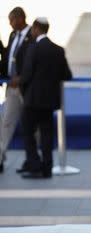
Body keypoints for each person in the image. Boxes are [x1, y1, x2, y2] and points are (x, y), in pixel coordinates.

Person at [19, 18, 72, 179]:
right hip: (49, 101)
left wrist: (24, 91)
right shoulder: (58, 50)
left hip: (32, 100)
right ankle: (47, 168)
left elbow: (26, 75)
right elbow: (66, 74)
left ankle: (35, 165)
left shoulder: (33, 49)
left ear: (36, 28)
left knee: (28, 133)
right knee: (47, 135)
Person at [0, 7, 33, 173]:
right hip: (12, 88)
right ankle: (0, 157)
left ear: (20, 18)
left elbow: (34, 60)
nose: (10, 24)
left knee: (33, 126)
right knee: (6, 122)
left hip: (28, 88)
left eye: (11, 20)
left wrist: (22, 77)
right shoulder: (13, 35)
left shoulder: (32, 35)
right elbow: (8, 58)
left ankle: (33, 160)